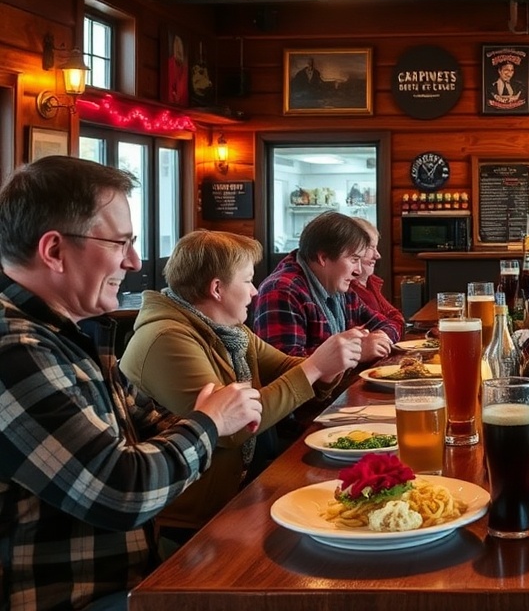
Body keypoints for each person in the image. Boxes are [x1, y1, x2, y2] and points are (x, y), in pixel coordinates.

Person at [0, 157, 261, 611]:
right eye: (120, 242)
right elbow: (122, 490)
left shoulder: (74, 334)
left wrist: (200, 424)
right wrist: (211, 422)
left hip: (136, 573)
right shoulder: (14, 349)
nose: (136, 261)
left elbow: (153, 422)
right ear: (55, 251)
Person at [119, 230, 365, 556]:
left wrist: (327, 368)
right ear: (217, 289)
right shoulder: (166, 338)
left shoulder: (230, 330)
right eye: (248, 280)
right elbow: (229, 429)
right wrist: (316, 367)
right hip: (190, 526)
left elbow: (287, 367)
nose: (254, 290)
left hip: (241, 495)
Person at [253, 210, 399, 364]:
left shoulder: (337, 285)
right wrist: (357, 351)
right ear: (323, 258)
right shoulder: (282, 290)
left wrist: (379, 338)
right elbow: (284, 369)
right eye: (354, 259)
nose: (358, 271)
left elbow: (389, 324)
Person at [350, 217, 405, 339]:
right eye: (371, 247)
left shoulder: (371, 282)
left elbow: (398, 319)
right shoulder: (346, 290)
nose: (378, 255)